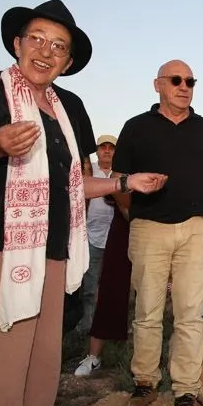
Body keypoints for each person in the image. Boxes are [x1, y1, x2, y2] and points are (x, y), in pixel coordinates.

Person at [0, 0, 166, 406]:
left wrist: (127, 181)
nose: (47, 51)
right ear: (16, 43)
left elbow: (71, 183)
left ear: (68, 62)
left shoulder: (70, 109)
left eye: (59, 46)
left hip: (51, 254)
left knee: (37, 371)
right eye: (38, 39)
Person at [112, 59, 203, 406]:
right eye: (176, 80)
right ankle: (145, 383)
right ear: (157, 84)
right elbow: (120, 183)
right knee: (147, 310)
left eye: (190, 80)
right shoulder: (135, 127)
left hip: (196, 229)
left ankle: (185, 393)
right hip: (148, 228)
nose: (184, 86)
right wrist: (137, 222)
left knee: (190, 313)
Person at [74, 199, 132, 377]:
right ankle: (93, 356)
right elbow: (117, 189)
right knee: (110, 287)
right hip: (128, 222)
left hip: (163, 226)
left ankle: (150, 361)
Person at [76, 134, 118, 333]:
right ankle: (88, 326)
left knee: (114, 286)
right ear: (98, 150)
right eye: (103, 147)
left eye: (111, 147)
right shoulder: (88, 170)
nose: (107, 151)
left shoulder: (121, 174)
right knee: (89, 287)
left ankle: (112, 327)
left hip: (115, 238)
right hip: (91, 237)